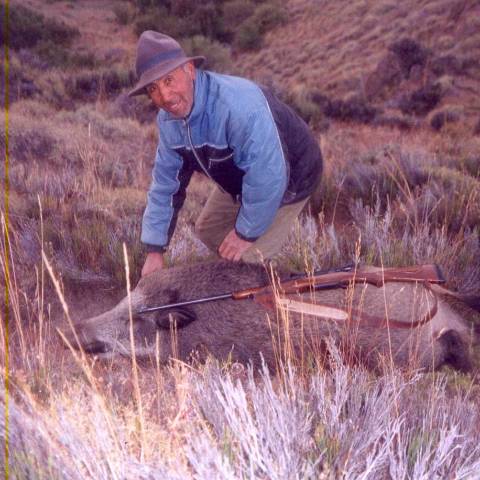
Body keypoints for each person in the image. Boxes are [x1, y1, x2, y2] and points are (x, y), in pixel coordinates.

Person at [128, 31, 323, 277]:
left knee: (249, 260)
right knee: (209, 230)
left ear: (189, 70)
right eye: (153, 88)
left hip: (292, 174)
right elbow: (165, 185)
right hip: (240, 175)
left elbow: (268, 175)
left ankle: (281, 279)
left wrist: (245, 233)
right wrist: (155, 250)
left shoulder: (238, 107)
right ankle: (248, 268)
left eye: (169, 80)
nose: (165, 97)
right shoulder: (169, 122)